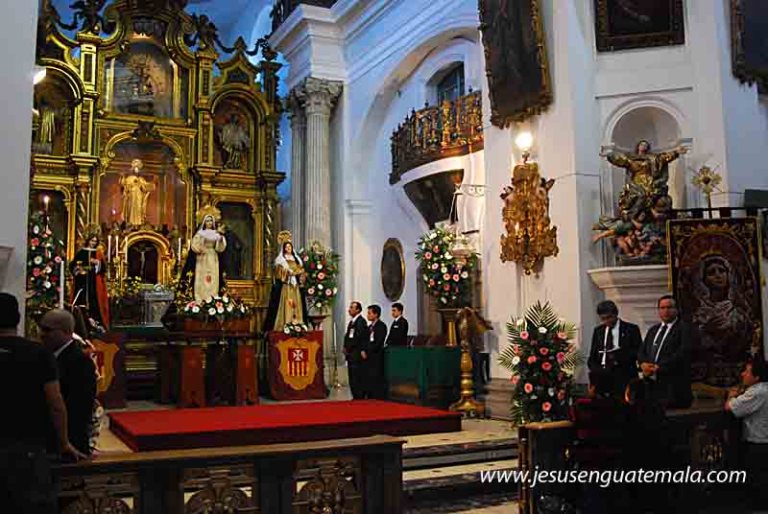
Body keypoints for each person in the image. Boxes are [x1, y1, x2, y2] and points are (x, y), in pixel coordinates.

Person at [0, 294, 85, 513]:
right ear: (18, 319)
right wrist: (64, 442)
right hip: (28, 447)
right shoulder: (38, 353)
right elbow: (56, 402)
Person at [39, 309, 97, 456]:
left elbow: (80, 407)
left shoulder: (80, 361)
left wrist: (64, 440)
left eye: (48, 330)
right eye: (41, 328)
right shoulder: (44, 356)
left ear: (66, 331)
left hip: (70, 440)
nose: (42, 334)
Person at [570, 370, 628, 514]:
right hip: (614, 459)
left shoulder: (583, 406)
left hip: (590, 461)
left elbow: (573, 423)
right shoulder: (620, 405)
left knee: (592, 500)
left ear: (594, 387)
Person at [637, 295, 697, 409]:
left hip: (673, 387)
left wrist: (659, 367)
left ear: (676, 309)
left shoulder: (685, 328)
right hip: (652, 386)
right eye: (662, 308)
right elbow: (642, 351)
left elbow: (684, 352)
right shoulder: (653, 330)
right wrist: (643, 364)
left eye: (669, 307)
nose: (666, 311)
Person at [692, 255, 753, 362]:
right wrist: (706, 330)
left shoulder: (739, 311)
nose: (718, 275)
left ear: (729, 275)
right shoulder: (699, 313)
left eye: (722, 271)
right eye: (712, 273)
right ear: (704, 280)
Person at [725, 358, 768, 510]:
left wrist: (731, 395)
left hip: (759, 444)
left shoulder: (757, 392)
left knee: (758, 483)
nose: (743, 374)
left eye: (747, 372)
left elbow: (730, 407)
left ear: (756, 377)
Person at [587, 300, 642, 398]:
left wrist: (618, 356)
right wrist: (595, 370)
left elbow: (638, 352)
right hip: (602, 377)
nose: (607, 321)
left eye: (609, 317)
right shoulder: (598, 331)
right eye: (603, 319)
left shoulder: (631, 329)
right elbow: (593, 355)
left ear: (616, 314)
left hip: (623, 375)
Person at [263, 235, 308, 333]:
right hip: (287, 286)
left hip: (295, 285)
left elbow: (300, 270)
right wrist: (287, 272)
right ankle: (286, 322)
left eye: (290, 247)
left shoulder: (296, 259)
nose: (288, 248)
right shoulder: (281, 260)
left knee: (296, 303)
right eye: (286, 247)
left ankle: (297, 322)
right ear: (284, 249)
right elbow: (279, 273)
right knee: (288, 303)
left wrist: (299, 273)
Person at [70, 234, 110, 328]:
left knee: (94, 299)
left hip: (94, 281)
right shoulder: (81, 252)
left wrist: (97, 263)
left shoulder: (98, 253)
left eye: (95, 241)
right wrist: (78, 269)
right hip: (82, 280)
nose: (93, 243)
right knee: (82, 298)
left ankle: (95, 322)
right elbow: (73, 265)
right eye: (92, 241)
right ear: (88, 241)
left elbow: (103, 268)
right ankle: (81, 322)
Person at [188, 214, 227, 302]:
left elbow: (220, 248)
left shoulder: (216, 233)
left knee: (213, 277)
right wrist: (201, 248)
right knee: (202, 277)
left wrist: (220, 238)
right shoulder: (200, 233)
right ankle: (200, 298)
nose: (209, 223)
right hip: (202, 258)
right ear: (204, 222)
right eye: (207, 221)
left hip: (212, 257)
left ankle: (212, 297)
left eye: (210, 221)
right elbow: (194, 245)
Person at [344, 301, 369, 400]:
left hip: (356, 353)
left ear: (358, 310)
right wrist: (345, 347)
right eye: (350, 307)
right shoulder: (352, 322)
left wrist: (349, 347)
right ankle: (355, 395)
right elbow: (348, 336)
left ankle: (359, 396)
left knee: (357, 376)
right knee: (352, 376)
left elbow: (358, 337)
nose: (349, 309)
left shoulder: (361, 321)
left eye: (352, 307)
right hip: (351, 353)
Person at [120, 159, 155, 226]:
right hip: (131, 197)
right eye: (135, 168)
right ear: (133, 169)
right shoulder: (129, 178)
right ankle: (131, 223)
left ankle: (139, 223)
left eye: (138, 168)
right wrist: (123, 178)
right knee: (131, 209)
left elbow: (146, 187)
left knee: (138, 209)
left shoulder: (141, 179)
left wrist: (152, 183)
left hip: (139, 197)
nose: (136, 170)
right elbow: (125, 186)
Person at [366, 304, 388, 400]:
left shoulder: (381, 326)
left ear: (376, 314)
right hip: (368, 356)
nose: (368, 315)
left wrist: (369, 350)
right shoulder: (369, 327)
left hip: (376, 355)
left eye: (370, 313)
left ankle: (377, 396)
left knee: (376, 376)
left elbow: (378, 342)